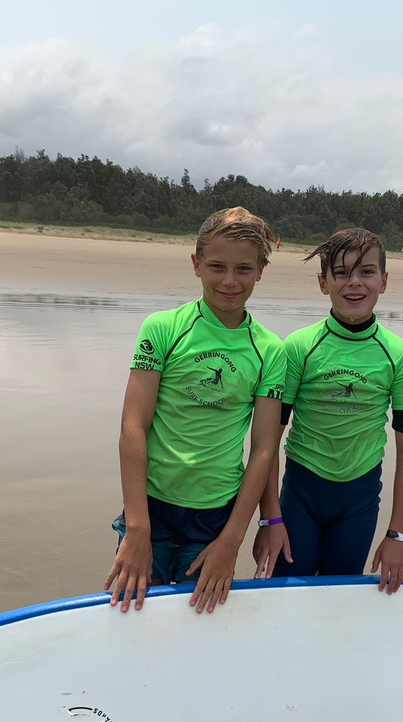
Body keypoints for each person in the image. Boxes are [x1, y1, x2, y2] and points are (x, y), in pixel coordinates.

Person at [105, 207, 286, 614]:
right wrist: (136, 530)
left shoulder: (270, 350)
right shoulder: (163, 328)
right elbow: (133, 426)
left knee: (195, 622)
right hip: (149, 506)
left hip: (215, 517)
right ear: (196, 264)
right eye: (217, 266)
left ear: (260, 270)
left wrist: (232, 538)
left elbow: (263, 449)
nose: (229, 281)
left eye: (243, 269)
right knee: (132, 614)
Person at [253, 229, 403, 595]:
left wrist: (398, 534)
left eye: (366, 272)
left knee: (338, 601)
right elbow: (268, 438)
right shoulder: (299, 347)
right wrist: (270, 518)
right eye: (342, 272)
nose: (354, 283)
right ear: (323, 282)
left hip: (358, 502)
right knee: (286, 597)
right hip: (300, 497)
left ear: (384, 281)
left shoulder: (400, 355)